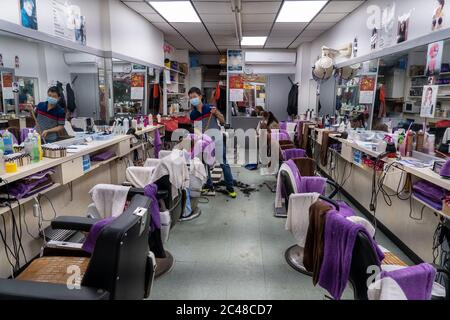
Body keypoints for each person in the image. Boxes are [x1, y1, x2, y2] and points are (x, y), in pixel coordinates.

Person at [188, 87, 237, 199]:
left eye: (195, 96)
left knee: (223, 163)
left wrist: (216, 113)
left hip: (217, 139)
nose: (193, 99)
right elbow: (196, 129)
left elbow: (223, 121)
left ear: (200, 96)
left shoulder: (210, 108)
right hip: (205, 142)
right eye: (191, 98)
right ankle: (209, 184)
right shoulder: (193, 115)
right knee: (205, 163)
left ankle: (230, 187)